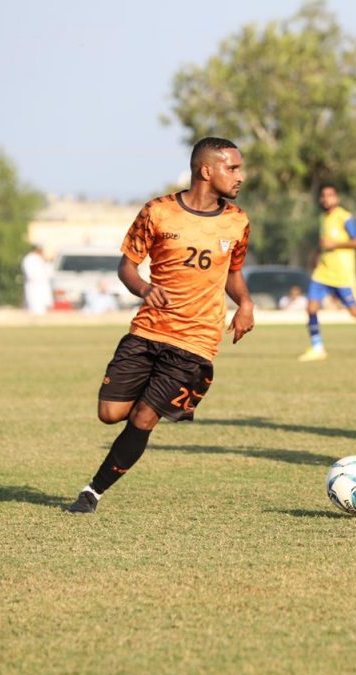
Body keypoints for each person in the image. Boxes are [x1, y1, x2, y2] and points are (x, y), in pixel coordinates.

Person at [66, 137, 255, 513]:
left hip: (196, 341)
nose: (240, 176)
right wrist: (143, 289)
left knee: (144, 416)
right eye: (232, 168)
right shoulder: (158, 212)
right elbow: (127, 266)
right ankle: (155, 401)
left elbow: (233, 272)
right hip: (147, 331)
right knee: (110, 414)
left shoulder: (238, 221)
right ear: (206, 170)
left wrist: (246, 303)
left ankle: (92, 493)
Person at [298, 183, 356, 361]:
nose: (326, 199)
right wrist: (316, 255)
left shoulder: (344, 217)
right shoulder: (323, 217)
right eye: (323, 196)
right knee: (311, 308)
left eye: (330, 195)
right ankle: (318, 347)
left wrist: (335, 244)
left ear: (337, 198)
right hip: (323, 272)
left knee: (354, 312)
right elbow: (325, 242)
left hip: (342, 275)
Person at [21, 244, 53, 315]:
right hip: (33, 286)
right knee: (34, 305)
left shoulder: (42, 259)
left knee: (43, 306)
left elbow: (49, 272)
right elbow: (30, 274)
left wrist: (46, 261)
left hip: (43, 285)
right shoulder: (29, 258)